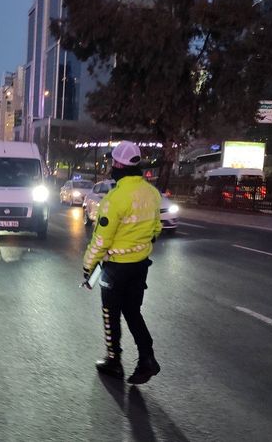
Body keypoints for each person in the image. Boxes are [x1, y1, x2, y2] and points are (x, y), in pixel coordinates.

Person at [82, 141, 163, 384]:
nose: (110, 165)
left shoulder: (115, 199)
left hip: (115, 268)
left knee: (110, 313)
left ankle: (113, 361)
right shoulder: (152, 193)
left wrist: (88, 265)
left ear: (118, 164)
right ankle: (147, 357)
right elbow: (156, 229)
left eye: (112, 162)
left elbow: (101, 239)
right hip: (140, 266)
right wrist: (140, 246)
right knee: (133, 311)